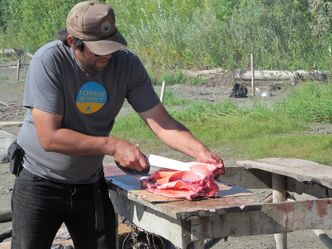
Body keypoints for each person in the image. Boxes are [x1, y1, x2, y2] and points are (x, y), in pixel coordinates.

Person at [11, 1, 224, 249]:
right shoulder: (49, 61)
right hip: (39, 180)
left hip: (88, 183)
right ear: (72, 42)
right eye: (99, 50)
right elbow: (49, 137)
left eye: (111, 46)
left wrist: (201, 153)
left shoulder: (127, 65)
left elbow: (162, 122)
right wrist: (113, 146)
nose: (108, 55)